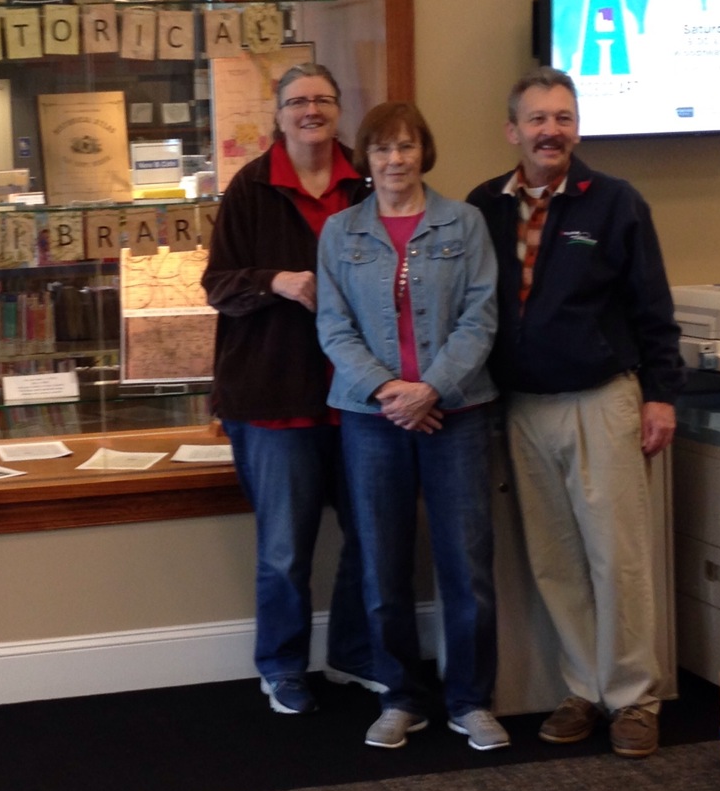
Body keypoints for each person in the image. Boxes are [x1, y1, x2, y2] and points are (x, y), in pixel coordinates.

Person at [466, 66, 685, 758]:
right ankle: (584, 689)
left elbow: (653, 306)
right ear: (513, 131)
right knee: (555, 562)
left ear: (577, 127)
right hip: (523, 408)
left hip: (602, 401)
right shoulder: (484, 207)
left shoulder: (614, 202)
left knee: (617, 557)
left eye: (562, 117)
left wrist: (661, 393)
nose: (550, 130)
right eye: (537, 119)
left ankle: (633, 698)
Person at [317, 101, 505, 751]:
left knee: (467, 565)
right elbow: (332, 326)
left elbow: (481, 317)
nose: (394, 160)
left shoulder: (465, 222)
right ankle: (400, 698)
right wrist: (390, 391)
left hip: (457, 413)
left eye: (405, 147)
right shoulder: (340, 233)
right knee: (381, 565)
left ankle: (471, 702)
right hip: (371, 419)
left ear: (424, 151)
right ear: (364, 161)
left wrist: (431, 389)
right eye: (380, 150)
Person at [203, 63, 376, 715]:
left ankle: (356, 656)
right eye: (298, 101)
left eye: (324, 100)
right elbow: (216, 284)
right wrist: (277, 281)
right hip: (274, 399)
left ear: (339, 110)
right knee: (283, 549)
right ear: (277, 115)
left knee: (371, 537)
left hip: (359, 398)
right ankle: (281, 667)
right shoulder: (251, 188)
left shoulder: (368, 179)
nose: (311, 110)